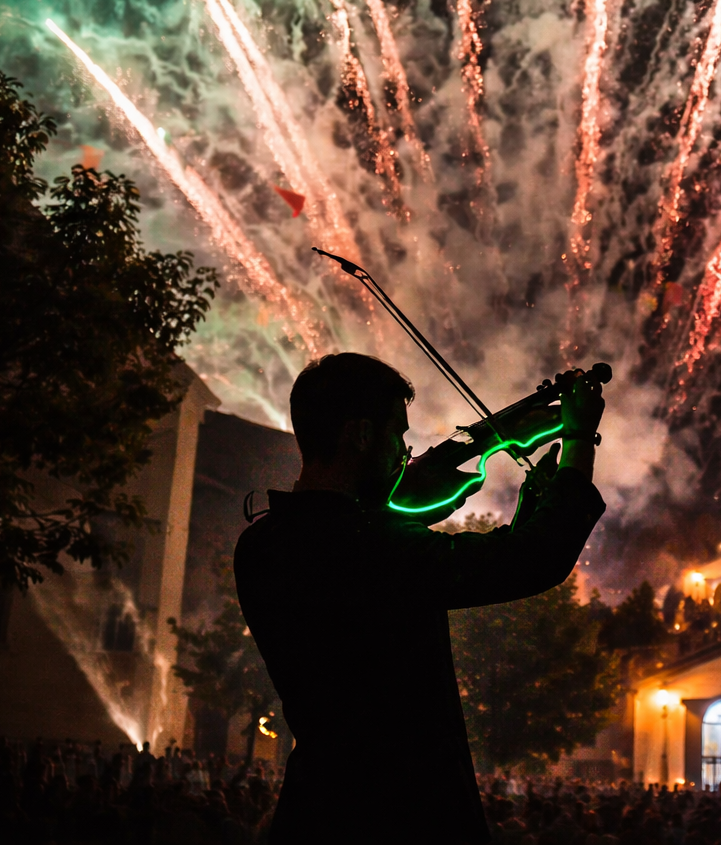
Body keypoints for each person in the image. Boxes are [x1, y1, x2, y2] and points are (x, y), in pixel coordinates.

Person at [235, 352, 607, 842]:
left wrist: (510, 476)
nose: (405, 454)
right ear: (360, 436)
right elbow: (532, 560)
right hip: (402, 812)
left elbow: (383, 517)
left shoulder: (262, 543)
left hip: (317, 806)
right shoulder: (369, 548)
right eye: (398, 436)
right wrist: (579, 438)